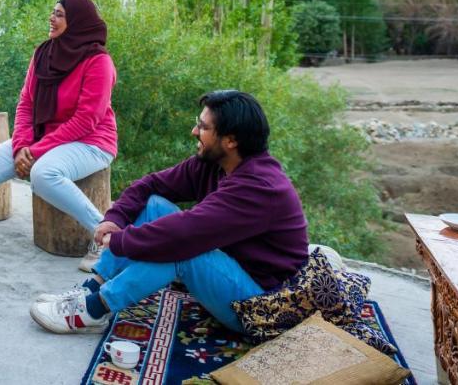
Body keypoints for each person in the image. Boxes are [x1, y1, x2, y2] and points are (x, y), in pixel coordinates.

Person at [29, 89, 309, 335]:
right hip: (234, 272)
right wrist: (115, 220)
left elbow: (187, 232)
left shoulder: (259, 187)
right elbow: (150, 185)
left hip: (262, 306)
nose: (194, 132)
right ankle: (92, 287)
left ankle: (93, 310)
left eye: (203, 127)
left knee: (181, 251)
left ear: (231, 140)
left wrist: (122, 241)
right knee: (153, 205)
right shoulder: (214, 163)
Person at [0, 0, 117, 271]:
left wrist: (34, 151)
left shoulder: (98, 62)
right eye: (52, 12)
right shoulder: (44, 53)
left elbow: (86, 120)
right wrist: (21, 146)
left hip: (91, 142)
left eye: (59, 14)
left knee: (43, 174)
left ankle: (106, 239)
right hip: (41, 139)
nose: (51, 18)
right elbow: (26, 104)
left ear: (77, 22)